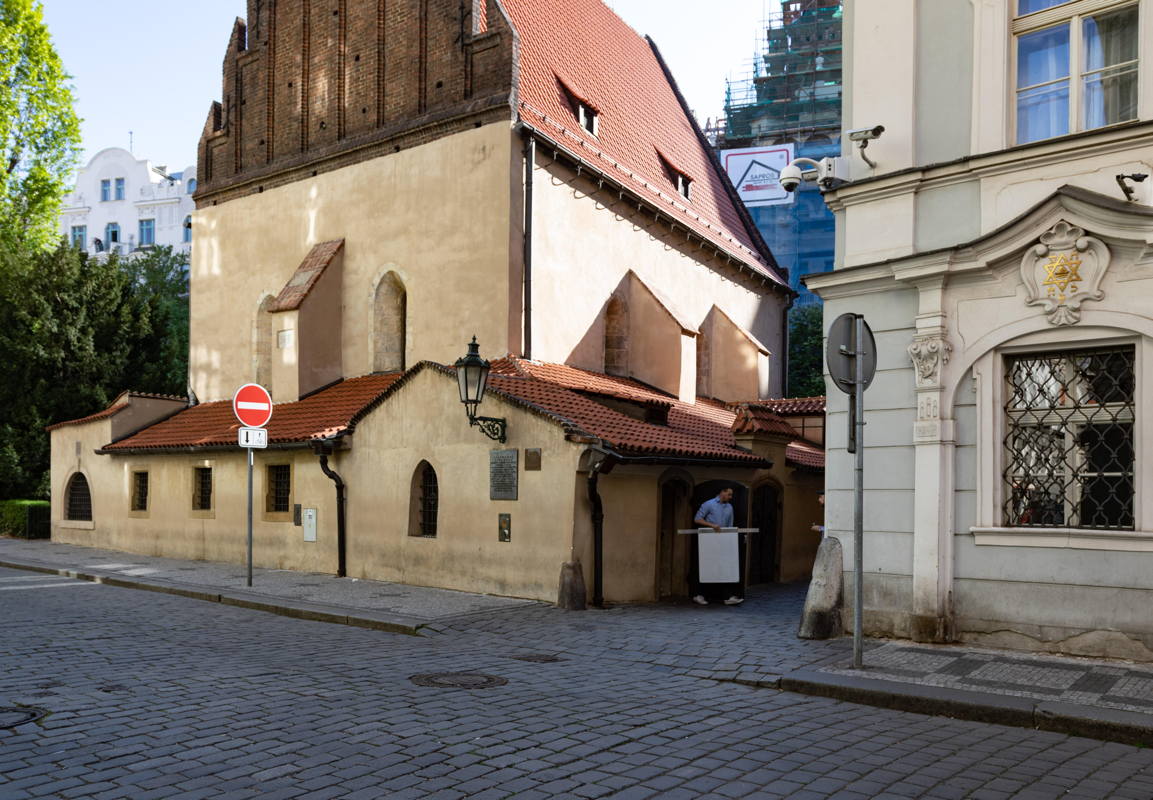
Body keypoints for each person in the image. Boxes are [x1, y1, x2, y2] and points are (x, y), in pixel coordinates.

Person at [691, 487, 744, 607]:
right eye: (729, 494)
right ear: (722, 492)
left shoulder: (730, 507)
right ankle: (699, 595)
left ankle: (728, 597)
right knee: (707, 566)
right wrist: (712, 525)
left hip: (723, 541)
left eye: (731, 495)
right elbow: (697, 519)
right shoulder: (708, 504)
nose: (730, 497)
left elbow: (730, 526)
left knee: (724, 567)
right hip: (708, 540)